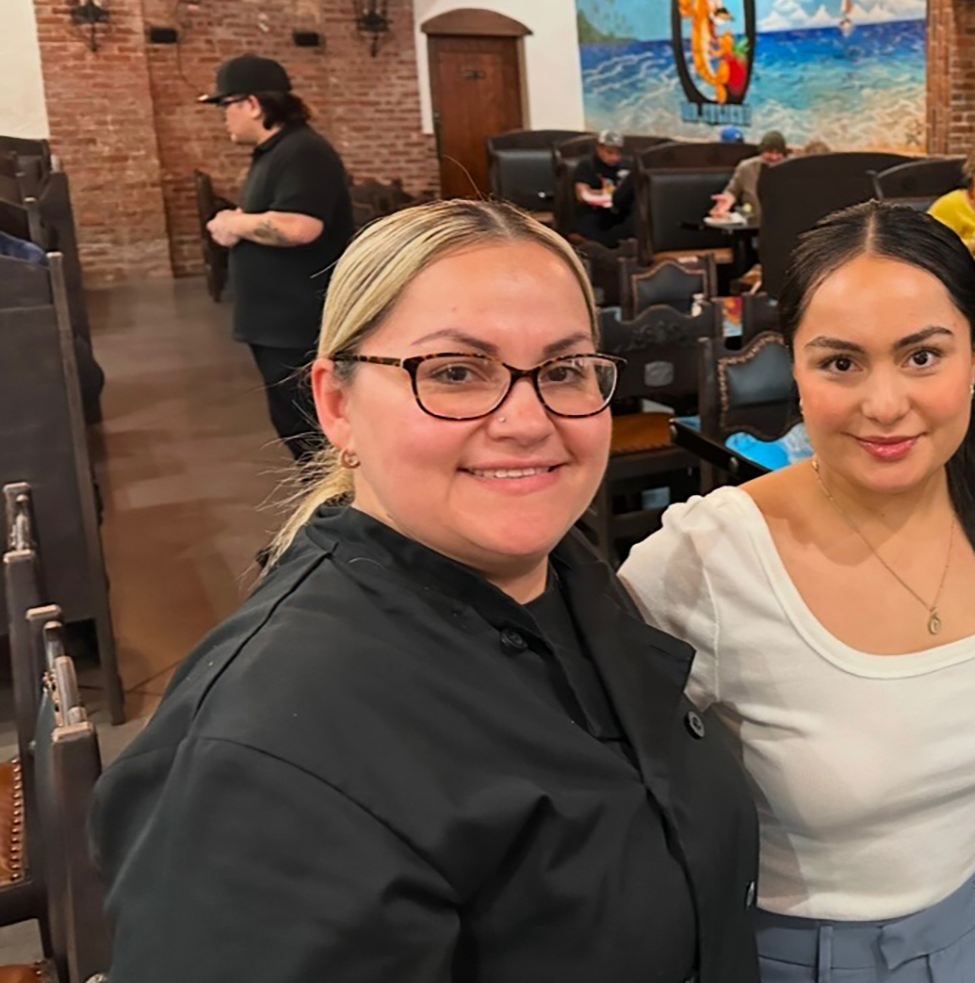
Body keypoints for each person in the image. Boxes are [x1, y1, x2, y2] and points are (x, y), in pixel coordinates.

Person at [91, 200, 761, 982]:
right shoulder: (259, 769)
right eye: (455, 372)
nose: (527, 421)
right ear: (337, 404)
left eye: (564, 370)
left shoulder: (569, 577)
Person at [620, 201, 975, 982]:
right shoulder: (708, 559)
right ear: (795, 368)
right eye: (841, 363)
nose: (884, 405)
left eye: (923, 356)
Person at [201, 54, 355, 462]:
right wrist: (241, 221)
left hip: (297, 325)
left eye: (225, 105)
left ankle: (338, 500)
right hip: (276, 325)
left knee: (315, 434)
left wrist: (236, 224)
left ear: (252, 104)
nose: (224, 117)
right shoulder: (276, 151)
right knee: (295, 427)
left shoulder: (302, 151)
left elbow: (300, 226)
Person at [572, 130, 634, 245]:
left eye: (618, 153)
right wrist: (605, 194)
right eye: (609, 152)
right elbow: (582, 195)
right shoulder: (587, 165)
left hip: (620, 212)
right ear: (599, 149)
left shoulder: (627, 165)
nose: (614, 157)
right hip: (594, 213)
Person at [710, 130, 788, 221]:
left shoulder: (791, 168)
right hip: (753, 222)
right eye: (770, 152)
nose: (774, 157)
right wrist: (727, 200)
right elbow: (732, 191)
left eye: (778, 153)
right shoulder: (746, 168)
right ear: (762, 151)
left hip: (785, 222)